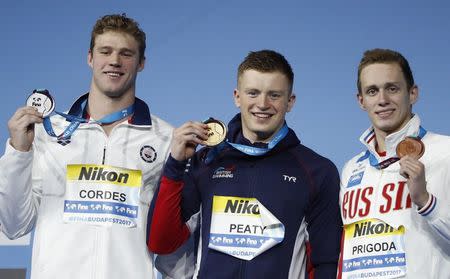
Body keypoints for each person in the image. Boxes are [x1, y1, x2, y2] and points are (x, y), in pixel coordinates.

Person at [0, 14, 177, 279]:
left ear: (141, 63)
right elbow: (13, 226)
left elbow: (172, 245)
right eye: (105, 51)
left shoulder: (165, 139)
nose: (114, 61)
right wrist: (18, 151)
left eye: (126, 54)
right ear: (90, 58)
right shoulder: (46, 133)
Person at [149, 49, 342, 278]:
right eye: (253, 93)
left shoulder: (317, 171)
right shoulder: (206, 162)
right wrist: (175, 164)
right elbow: (161, 242)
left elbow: (326, 263)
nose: (262, 104)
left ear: (290, 101)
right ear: (237, 96)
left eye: (274, 95)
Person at [339, 48, 450, 278]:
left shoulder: (445, 151)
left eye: (392, 88)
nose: (382, 100)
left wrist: (425, 201)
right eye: (372, 91)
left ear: (412, 93)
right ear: (361, 101)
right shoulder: (351, 169)